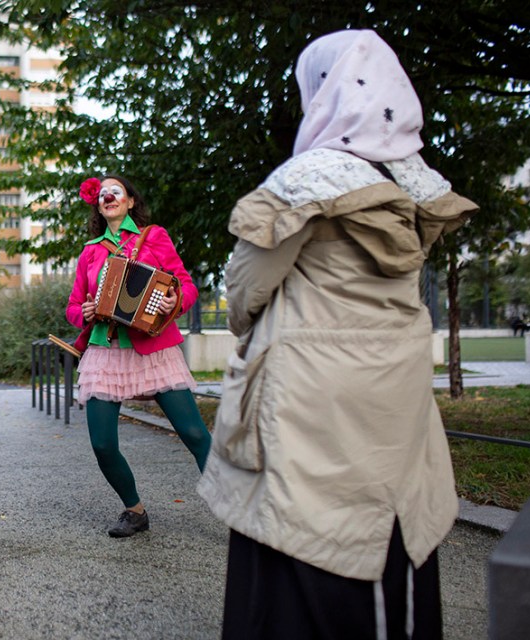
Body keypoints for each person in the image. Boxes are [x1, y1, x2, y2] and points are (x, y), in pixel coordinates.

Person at [196, 30, 478, 639]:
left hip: (307, 402)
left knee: (299, 528)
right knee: (387, 523)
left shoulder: (307, 181)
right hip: (394, 389)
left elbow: (246, 289)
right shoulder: (413, 181)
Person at [67, 174, 212, 537]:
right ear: (99, 206)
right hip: (106, 351)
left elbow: (185, 284)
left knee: (194, 433)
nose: (108, 196)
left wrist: (173, 300)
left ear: (130, 201)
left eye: (116, 191)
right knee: (102, 443)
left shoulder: (154, 236)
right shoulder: (90, 251)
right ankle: (134, 510)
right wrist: (82, 312)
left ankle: (240, 510)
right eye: (102, 194)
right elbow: (73, 307)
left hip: (152, 349)